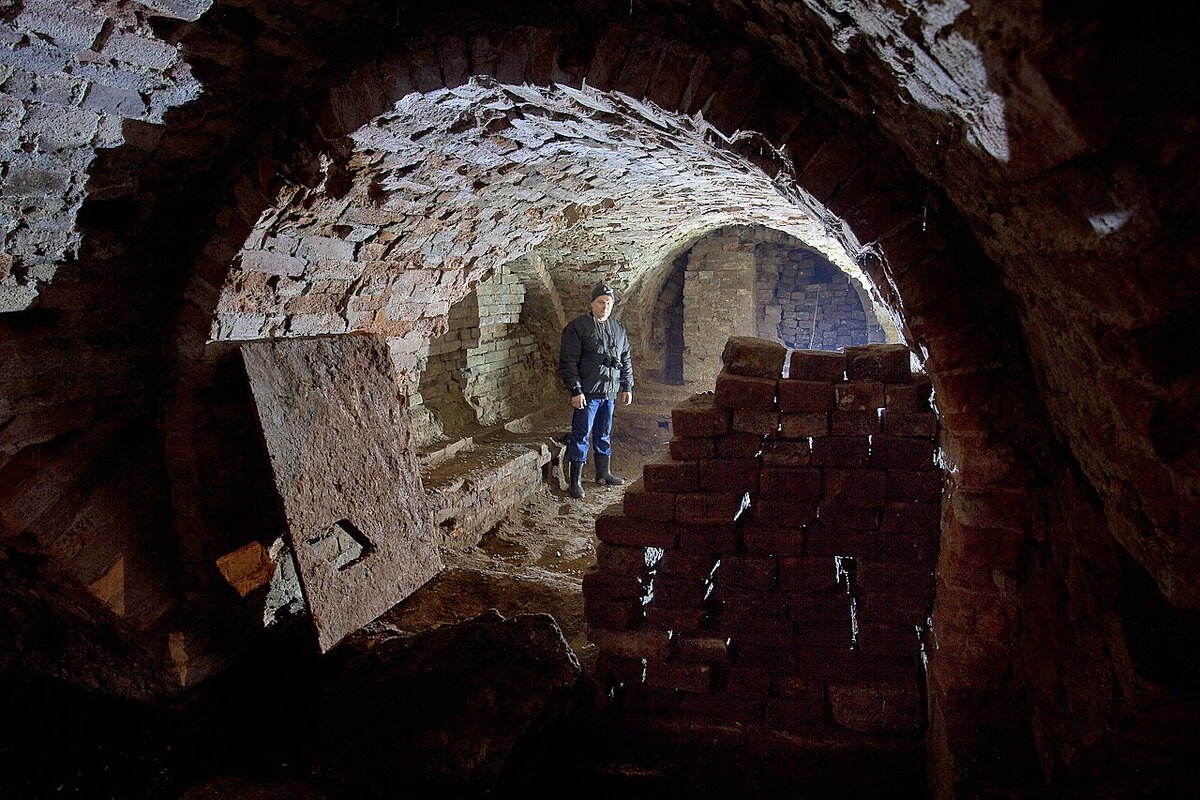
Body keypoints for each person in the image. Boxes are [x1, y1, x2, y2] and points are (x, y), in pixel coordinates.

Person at [558, 282, 634, 499]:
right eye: (601, 302)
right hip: (588, 393)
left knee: (603, 433)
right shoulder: (577, 328)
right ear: (592, 303)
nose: (605, 307)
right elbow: (568, 362)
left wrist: (626, 385)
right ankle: (575, 481)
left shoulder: (618, 329)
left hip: (609, 392)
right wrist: (575, 389)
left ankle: (604, 473)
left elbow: (625, 358)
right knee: (581, 434)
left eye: (608, 303)